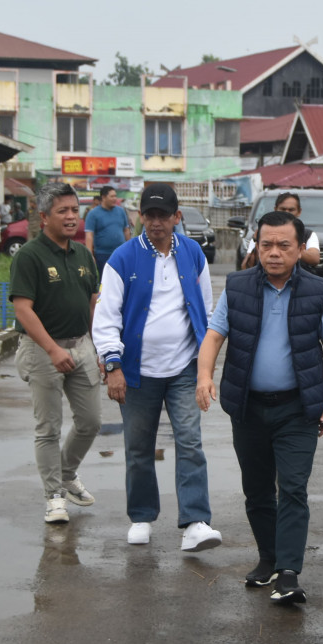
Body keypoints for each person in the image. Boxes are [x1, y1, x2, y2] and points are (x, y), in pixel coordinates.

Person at [197, 210, 323, 605]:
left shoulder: (316, 291)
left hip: (298, 409)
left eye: (283, 245)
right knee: (258, 490)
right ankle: (269, 559)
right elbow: (214, 335)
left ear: (299, 249)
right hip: (249, 407)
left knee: (293, 488)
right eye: (266, 245)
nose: (274, 253)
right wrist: (205, 376)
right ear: (255, 246)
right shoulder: (239, 286)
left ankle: (290, 572)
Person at [93, 183, 221, 551]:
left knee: (190, 442)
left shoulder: (194, 253)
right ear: (139, 217)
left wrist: (205, 369)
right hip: (136, 371)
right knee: (138, 447)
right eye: (149, 215)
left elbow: (207, 313)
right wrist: (112, 365)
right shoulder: (122, 258)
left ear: (176, 217)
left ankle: (196, 522)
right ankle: (142, 517)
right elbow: (105, 318)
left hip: (183, 368)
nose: (155, 222)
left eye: (163, 215)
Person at [8, 181, 100, 524]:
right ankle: (54, 496)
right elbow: (23, 310)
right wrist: (51, 349)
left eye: (75, 210)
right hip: (42, 350)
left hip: (82, 347)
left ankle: (65, 473)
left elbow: (93, 304)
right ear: (43, 216)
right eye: (63, 211)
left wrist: (99, 348)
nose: (71, 216)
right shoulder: (29, 256)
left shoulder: (83, 256)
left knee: (91, 422)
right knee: (48, 428)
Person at [241, 192, 320, 268]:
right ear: (275, 209)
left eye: (291, 210)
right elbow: (247, 265)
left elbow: (315, 258)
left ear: (299, 211)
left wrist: (294, 250)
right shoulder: (261, 232)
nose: (287, 213)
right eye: (283, 209)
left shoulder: (308, 235)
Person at [84, 185, 132, 278]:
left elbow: (126, 230)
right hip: (103, 254)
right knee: (106, 279)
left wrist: (130, 248)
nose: (115, 199)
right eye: (112, 196)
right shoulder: (93, 214)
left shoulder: (121, 211)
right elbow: (89, 235)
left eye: (115, 196)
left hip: (120, 252)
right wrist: (90, 255)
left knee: (122, 277)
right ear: (103, 197)